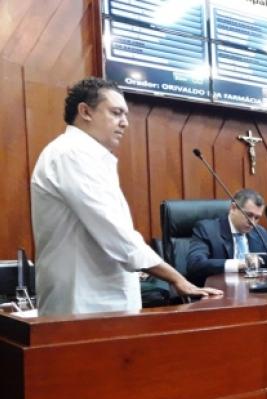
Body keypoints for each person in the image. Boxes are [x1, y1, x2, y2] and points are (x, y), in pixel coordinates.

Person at [30, 77, 221, 316]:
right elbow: (115, 233)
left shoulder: (89, 156)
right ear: (85, 112)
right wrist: (176, 278)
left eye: (126, 115)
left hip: (102, 301)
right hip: (84, 302)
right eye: (116, 113)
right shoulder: (70, 154)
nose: (125, 123)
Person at [186, 189, 267, 286]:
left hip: (254, 291)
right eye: (249, 215)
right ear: (233, 208)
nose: (252, 222)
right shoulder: (207, 230)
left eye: (257, 218)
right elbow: (195, 264)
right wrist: (239, 265)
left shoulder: (260, 233)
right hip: (219, 290)